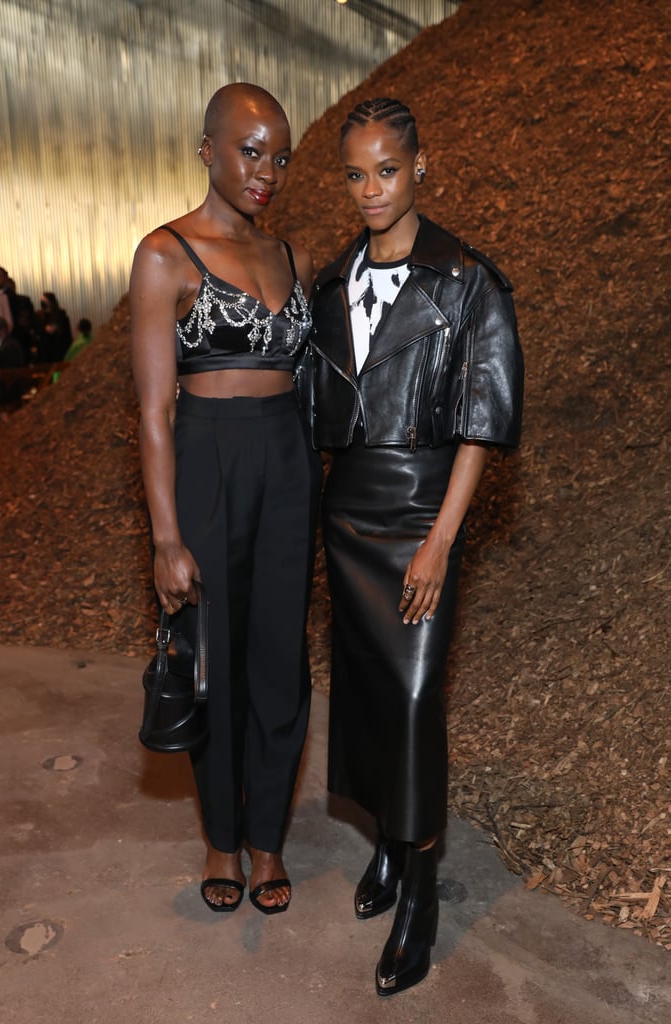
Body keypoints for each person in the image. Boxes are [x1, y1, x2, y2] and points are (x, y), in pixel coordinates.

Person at [309, 98, 524, 996]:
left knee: (411, 698)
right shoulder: (329, 284)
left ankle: (421, 892)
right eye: (355, 173)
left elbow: (481, 424)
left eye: (386, 170)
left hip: (420, 513)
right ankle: (392, 853)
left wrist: (440, 541)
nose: (370, 189)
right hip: (348, 509)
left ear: (419, 166)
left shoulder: (467, 280)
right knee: (364, 694)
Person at [130, 83, 320, 916]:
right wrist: (166, 536)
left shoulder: (293, 256)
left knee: (280, 657)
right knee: (215, 656)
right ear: (207, 148)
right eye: (250, 150)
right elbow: (150, 410)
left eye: (279, 155)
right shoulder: (164, 254)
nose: (265, 170)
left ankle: (268, 838)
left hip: (288, 460)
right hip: (208, 455)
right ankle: (218, 838)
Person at [35, 291, 73, 362]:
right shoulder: (39, 315)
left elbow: (66, 331)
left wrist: (57, 328)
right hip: (44, 347)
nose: (43, 303)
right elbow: (36, 329)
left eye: (45, 301)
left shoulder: (60, 314)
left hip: (58, 346)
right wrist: (44, 329)